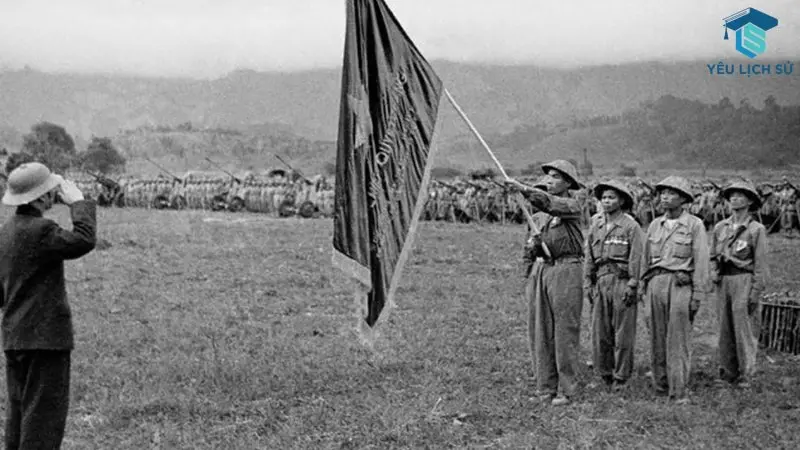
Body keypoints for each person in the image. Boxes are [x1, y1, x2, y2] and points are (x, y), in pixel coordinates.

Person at [0, 162, 96, 449]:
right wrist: (78, 203)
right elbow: (83, 240)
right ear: (40, 198)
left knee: (18, 417)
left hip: (14, 339)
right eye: (51, 190)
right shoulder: (42, 230)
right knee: (42, 421)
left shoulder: (5, 233)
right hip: (45, 342)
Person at [506, 159, 584, 406]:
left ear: (568, 183)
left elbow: (552, 204)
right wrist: (528, 275)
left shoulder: (572, 205)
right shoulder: (538, 219)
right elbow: (528, 249)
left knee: (564, 330)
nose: (550, 181)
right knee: (540, 330)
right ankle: (545, 386)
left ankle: (567, 389)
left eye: (556, 177)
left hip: (566, 270)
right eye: (547, 177)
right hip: (542, 271)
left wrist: (525, 190)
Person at [639, 176, 709, 404]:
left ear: (683, 199)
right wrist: (642, 286)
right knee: (656, 336)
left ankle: (678, 390)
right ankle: (660, 386)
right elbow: (645, 258)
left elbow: (701, 261)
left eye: (671, 193)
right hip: (655, 283)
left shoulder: (694, 225)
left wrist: (697, 294)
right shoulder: (654, 224)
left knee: (677, 338)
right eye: (663, 193)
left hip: (680, 284)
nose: (665, 197)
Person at [584, 180, 644, 391]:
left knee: (623, 332)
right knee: (600, 331)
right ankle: (604, 373)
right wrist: (588, 282)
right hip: (601, 281)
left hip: (622, 282)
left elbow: (637, 257)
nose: (607, 201)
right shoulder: (596, 226)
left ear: (621, 201)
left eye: (612, 198)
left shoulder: (630, 226)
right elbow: (589, 257)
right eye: (604, 198)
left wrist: (633, 283)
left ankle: (621, 376)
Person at [710, 180, 768, 388]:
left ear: (750, 201)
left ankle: (746, 373)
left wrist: (755, 292)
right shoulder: (720, 227)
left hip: (743, 278)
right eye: (731, 195)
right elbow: (712, 255)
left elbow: (761, 264)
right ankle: (727, 371)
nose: (734, 198)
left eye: (740, 195)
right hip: (724, 280)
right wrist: (714, 272)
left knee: (744, 327)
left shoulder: (755, 229)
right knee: (724, 326)